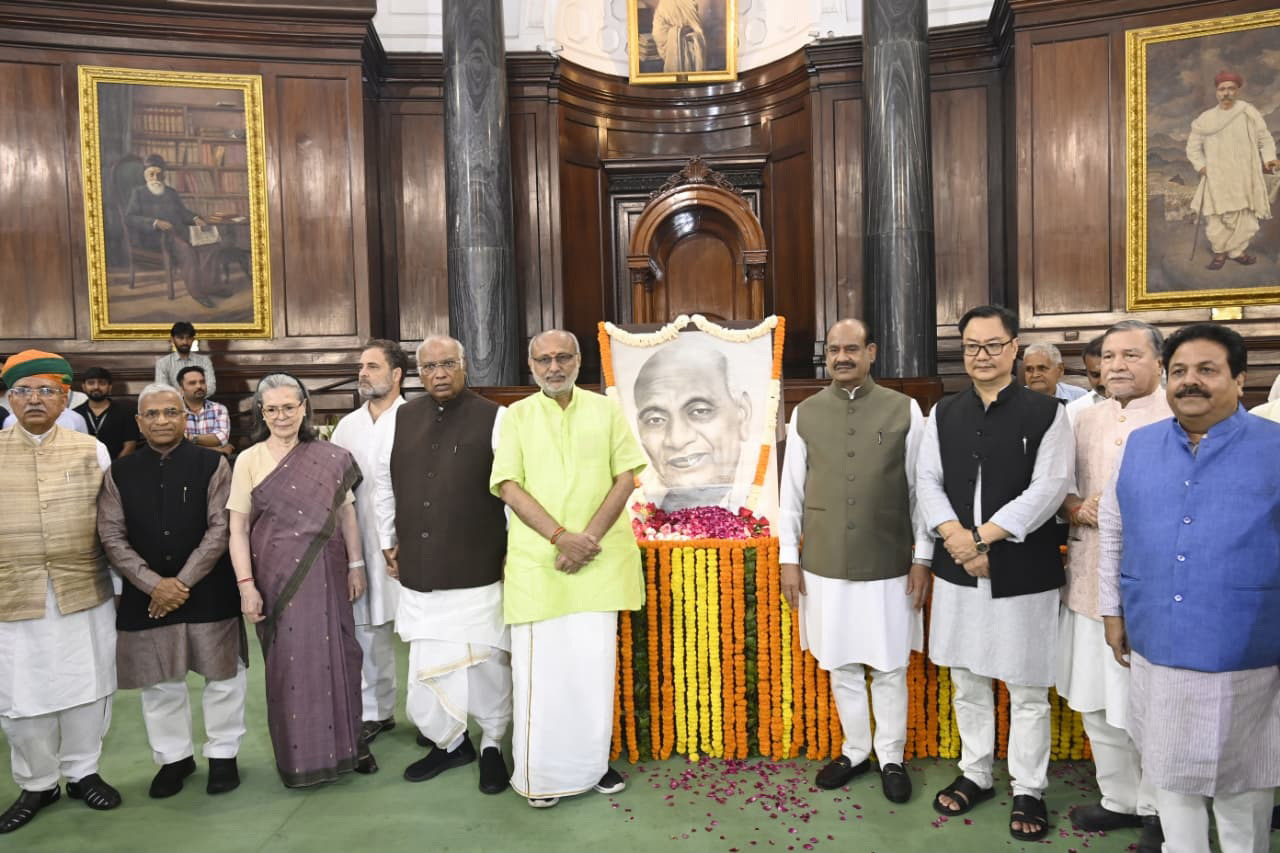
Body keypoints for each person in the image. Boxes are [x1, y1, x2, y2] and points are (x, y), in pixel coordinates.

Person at [1099, 323, 1280, 853]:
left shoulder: (1274, 447)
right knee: (1171, 776)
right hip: (1158, 638)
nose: (1189, 382)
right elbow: (1113, 528)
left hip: (1246, 645)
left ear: (1239, 380)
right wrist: (1113, 611)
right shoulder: (1139, 445)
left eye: (1206, 370)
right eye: (1178, 371)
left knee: (1242, 783)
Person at [916, 306, 1074, 842]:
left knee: (1027, 686)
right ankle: (977, 772)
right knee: (967, 677)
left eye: (991, 345)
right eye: (971, 347)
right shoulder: (944, 412)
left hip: (1022, 565)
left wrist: (985, 537)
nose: (981, 356)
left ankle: (1029, 786)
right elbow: (927, 482)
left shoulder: (1048, 412)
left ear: (1014, 348)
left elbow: (1050, 487)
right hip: (957, 563)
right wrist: (957, 539)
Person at [492, 329, 646, 808]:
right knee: (542, 676)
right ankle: (540, 776)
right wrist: (562, 538)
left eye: (562, 357)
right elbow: (508, 486)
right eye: (543, 359)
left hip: (598, 564)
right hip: (540, 567)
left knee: (592, 672)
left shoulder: (605, 409)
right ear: (530, 364)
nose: (553, 367)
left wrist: (588, 540)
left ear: (580, 361)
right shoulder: (516, 417)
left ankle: (591, 766)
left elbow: (626, 478)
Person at [779, 318, 931, 803]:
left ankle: (891, 756)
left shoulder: (905, 410)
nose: (841, 357)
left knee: (889, 667)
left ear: (872, 352)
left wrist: (922, 557)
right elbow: (791, 496)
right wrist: (788, 557)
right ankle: (856, 749)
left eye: (852, 349)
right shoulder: (804, 413)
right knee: (841, 663)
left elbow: (920, 491)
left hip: (888, 561)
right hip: (823, 564)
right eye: (834, 349)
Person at [375, 336, 512, 794]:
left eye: (447, 364)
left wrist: (512, 550)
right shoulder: (400, 418)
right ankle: (449, 744)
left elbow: (512, 490)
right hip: (420, 565)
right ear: (417, 372)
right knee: (429, 659)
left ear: (464, 365)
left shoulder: (497, 418)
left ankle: (492, 742)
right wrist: (387, 539)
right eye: (429, 366)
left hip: (478, 565)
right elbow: (383, 484)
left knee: (486, 659)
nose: (438, 373)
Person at [97, 383, 247, 799]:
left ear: (185, 418)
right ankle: (173, 759)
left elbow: (222, 528)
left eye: (170, 413)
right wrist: (152, 584)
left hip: (209, 589)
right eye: (153, 414)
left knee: (223, 677)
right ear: (139, 422)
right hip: (148, 597)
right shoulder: (119, 471)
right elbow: (110, 535)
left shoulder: (212, 465)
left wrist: (180, 583)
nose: (162, 421)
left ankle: (224, 755)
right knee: (160, 681)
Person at [227, 373, 375, 787]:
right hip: (275, 581)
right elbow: (236, 528)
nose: (281, 416)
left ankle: (349, 747)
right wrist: (246, 586)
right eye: (271, 409)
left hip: (327, 575)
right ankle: (300, 758)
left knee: (340, 657)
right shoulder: (249, 459)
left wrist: (356, 565)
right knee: (289, 669)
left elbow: (347, 514)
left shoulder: (331, 456)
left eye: (289, 407)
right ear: (261, 412)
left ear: (304, 407)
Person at [1057, 320, 1171, 851]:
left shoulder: (1179, 415)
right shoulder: (1081, 419)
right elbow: (1059, 490)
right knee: (1096, 702)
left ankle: (1159, 809)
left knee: (1146, 706)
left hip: (1152, 592)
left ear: (1159, 362)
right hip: (1084, 583)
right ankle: (1119, 799)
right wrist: (1079, 509)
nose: (1117, 365)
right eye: (1109, 356)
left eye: (1131, 354)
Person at [0, 350, 120, 833]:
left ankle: (82, 771)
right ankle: (36, 781)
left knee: (87, 684)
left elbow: (112, 523)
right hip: (12, 593)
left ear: (65, 398)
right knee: (20, 692)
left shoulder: (90, 449)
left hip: (82, 587)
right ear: (8, 399)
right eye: (24, 391)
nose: (35, 400)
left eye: (46, 390)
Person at [331, 340, 407, 745]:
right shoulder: (347, 426)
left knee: (418, 628)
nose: (363, 373)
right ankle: (377, 712)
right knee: (369, 628)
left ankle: (434, 719)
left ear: (396, 374)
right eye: (361, 366)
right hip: (360, 539)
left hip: (410, 541)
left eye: (373, 366)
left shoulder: (415, 417)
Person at [632, 339, 751, 510]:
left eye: (700, 411)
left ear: (743, 415)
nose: (677, 439)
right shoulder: (634, 518)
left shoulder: (769, 511)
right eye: (656, 419)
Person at [1186, 70, 1280, 270]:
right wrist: (1201, 166)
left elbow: (1264, 139)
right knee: (1216, 217)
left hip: (1245, 174)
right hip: (1217, 176)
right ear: (1216, 92)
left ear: (1237, 91)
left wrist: (1270, 158)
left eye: (1231, 89)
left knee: (1245, 215)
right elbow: (1193, 147)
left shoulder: (1248, 112)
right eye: (1222, 89)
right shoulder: (1206, 118)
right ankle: (1219, 253)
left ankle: (1237, 252)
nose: (1226, 93)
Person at [125, 157, 235, 308]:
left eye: (159, 174)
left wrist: (196, 218)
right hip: (155, 238)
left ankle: (212, 287)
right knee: (186, 249)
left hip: (179, 233)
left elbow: (182, 212)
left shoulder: (170, 192)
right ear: (145, 175)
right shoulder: (138, 193)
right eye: (151, 174)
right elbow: (130, 218)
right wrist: (155, 223)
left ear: (164, 175)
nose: (155, 178)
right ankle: (198, 293)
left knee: (211, 246)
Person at [74, 367, 139, 459]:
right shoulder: (76, 414)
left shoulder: (126, 412)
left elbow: (130, 445)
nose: (96, 387)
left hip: (117, 468)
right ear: (84, 387)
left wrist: (113, 468)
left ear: (110, 387)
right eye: (91, 383)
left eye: (102, 383)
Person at [179, 366, 232, 457]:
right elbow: (175, 445)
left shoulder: (219, 409)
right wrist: (217, 449)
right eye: (192, 383)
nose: (199, 386)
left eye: (202, 382)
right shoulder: (174, 411)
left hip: (212, 465)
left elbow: (221, 438)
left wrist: (189, 438)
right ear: (181, 389)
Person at [155, 321, 217, 397]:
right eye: (180, 338)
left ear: (193, 339)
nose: (185, 342)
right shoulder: (163, 363)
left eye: (189, 338)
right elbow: (162, 390)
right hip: (175, 406)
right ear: (172, 339)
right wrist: (189, 396)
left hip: (200, 404)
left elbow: (211, 388)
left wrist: (191, 397)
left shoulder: (204, 361)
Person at [652, 0, 706, 73]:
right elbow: (658, 33)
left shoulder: (690, 2)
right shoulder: (664, 4)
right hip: (675, 52)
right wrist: (679, 31)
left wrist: (694, 34)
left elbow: (698, 29)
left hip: (693, 50)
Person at [1065, 336, 1108, 426]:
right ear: (1087, 372)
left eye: (1107, 375)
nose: (1102, 383)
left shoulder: (1141, 405)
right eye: (1095, 375)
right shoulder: (1074, 410)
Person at [1022, 342, 1086, 402]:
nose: (1035, 375)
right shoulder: (1014, 400)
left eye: (1042, 368)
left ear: (1060, 370)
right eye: (1029, 369)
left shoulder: (1080, 397)